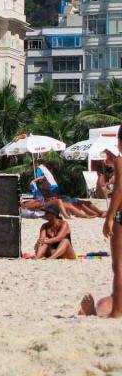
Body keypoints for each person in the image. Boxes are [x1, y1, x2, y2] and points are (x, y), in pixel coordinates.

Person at [101, 132, 122, 317]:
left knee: (119, 266)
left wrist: (109, 217)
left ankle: (117, 311)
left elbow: (119, 190)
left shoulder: (120, 161)